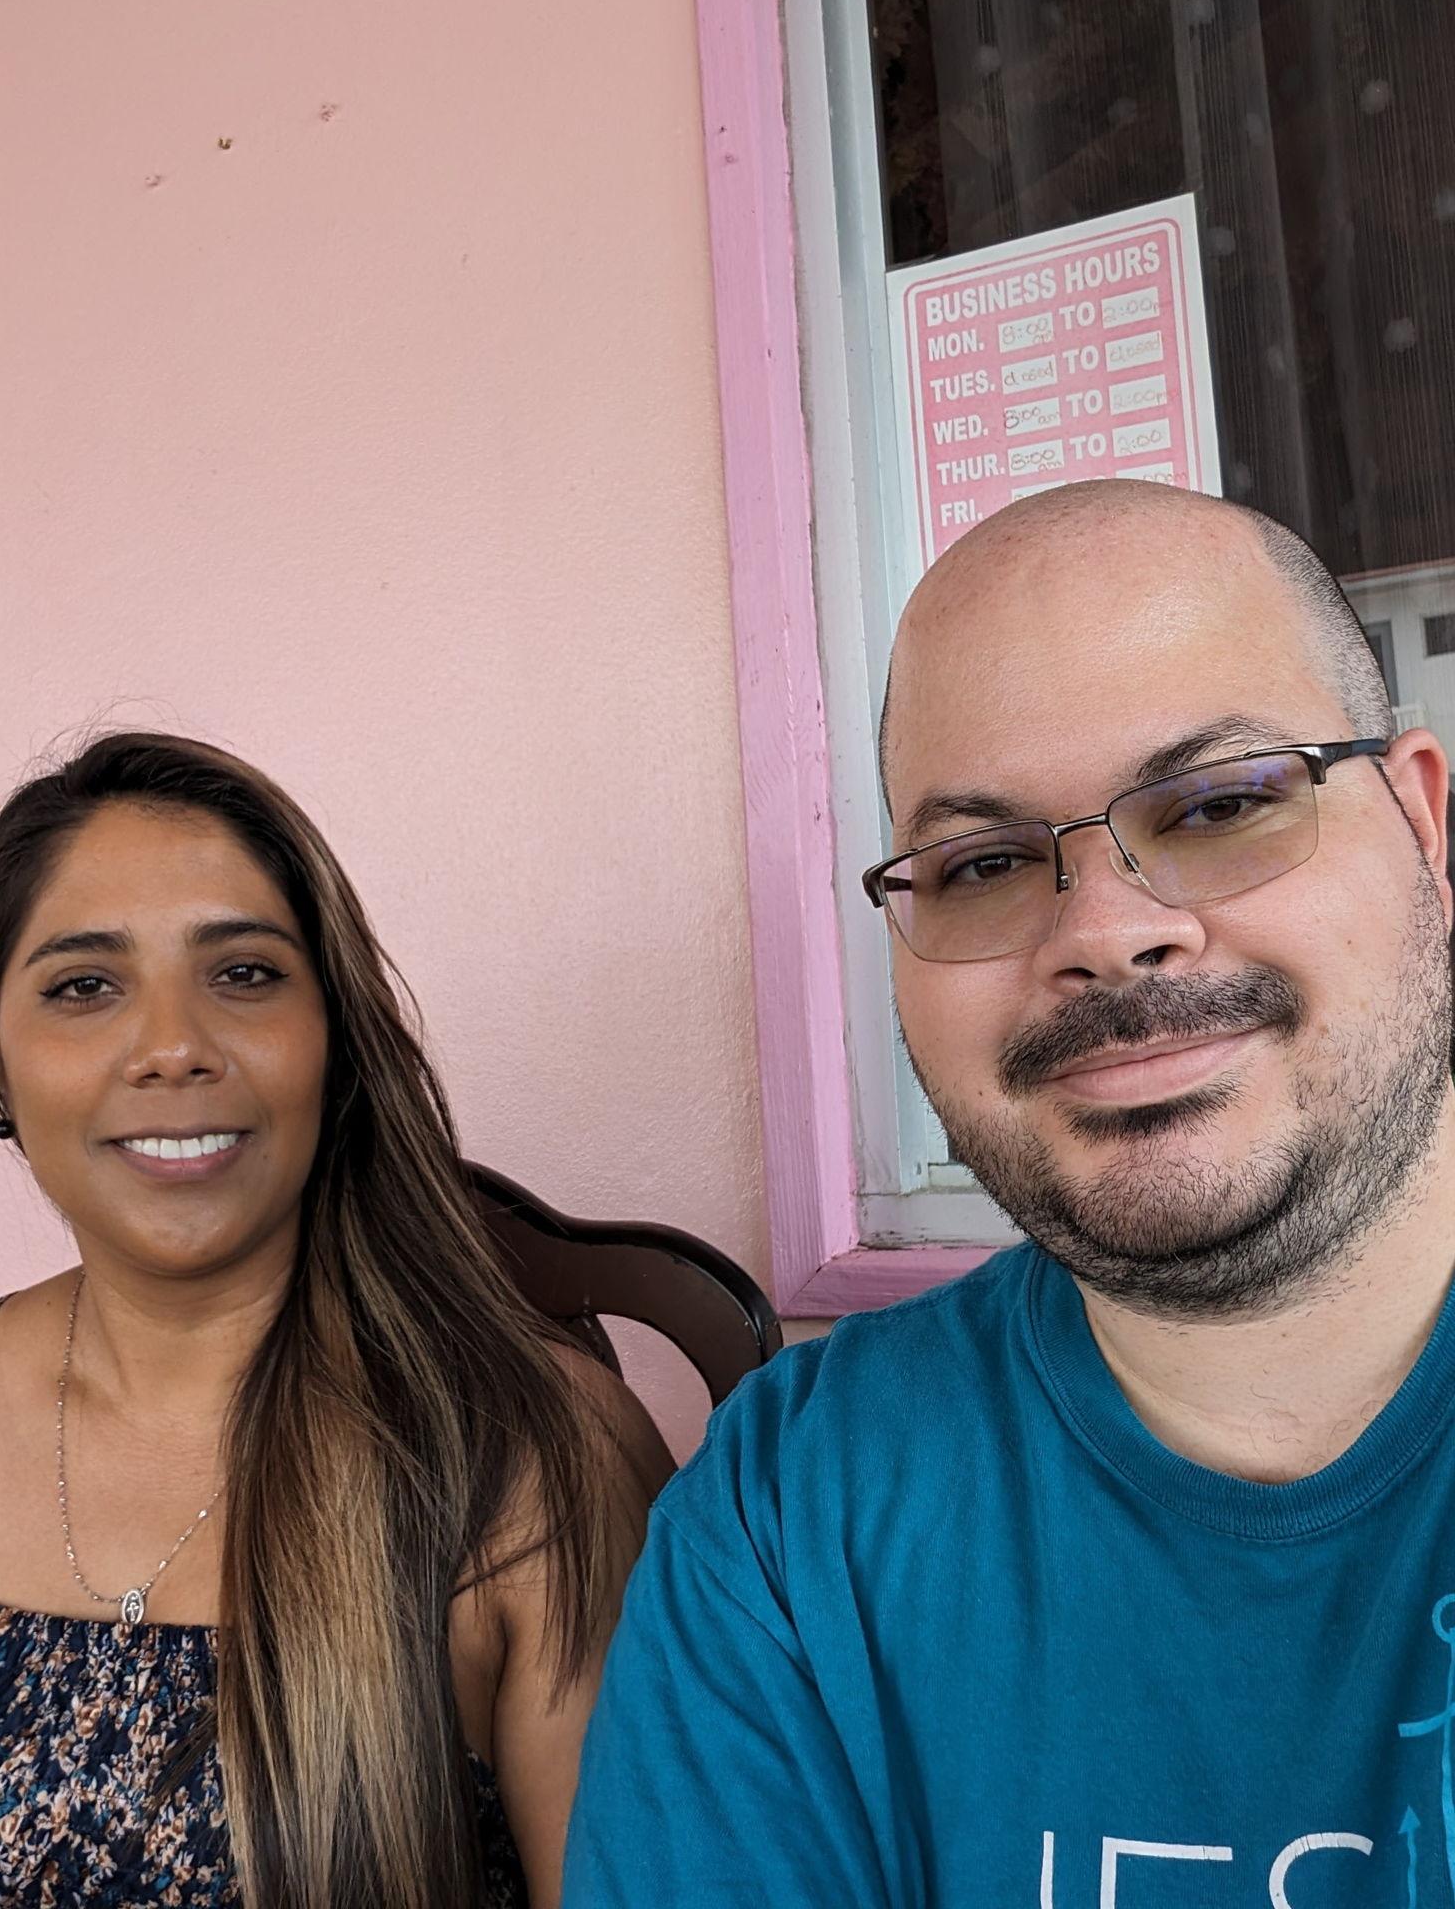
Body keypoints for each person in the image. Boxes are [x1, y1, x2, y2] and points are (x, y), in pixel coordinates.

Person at [564, 479, 1455, 1903]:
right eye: (982, 863)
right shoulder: (793, 1515)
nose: (1107, 933)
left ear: (1421, 820)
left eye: (1222, 801)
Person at [0, 731, 669, 1909]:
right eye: (83, 985)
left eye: (245, 972)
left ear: (334, 1037)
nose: (171, 1047)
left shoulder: (532, 1451)